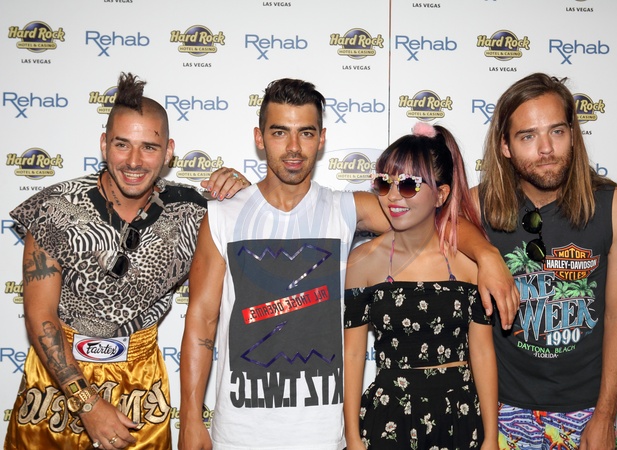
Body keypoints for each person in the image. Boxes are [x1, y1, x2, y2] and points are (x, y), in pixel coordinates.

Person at [178, 78, 517, 450]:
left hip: (322, 436)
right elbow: (201, 320)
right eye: (279, 132)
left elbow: (432, 218)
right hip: (239, 433)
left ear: (321, 139)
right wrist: (191, 417)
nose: (293, 147)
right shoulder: (225, 214)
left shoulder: (345, 208)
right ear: (259, 138)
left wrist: (487, 254)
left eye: (306, 133)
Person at [4, 72, 246, 450]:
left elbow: (267, 238)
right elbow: (40, 316)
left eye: (149, 147)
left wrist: (245, 196)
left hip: (139, 382)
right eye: (122, 145)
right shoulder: (55, 208)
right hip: (55, 383)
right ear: (104, 145)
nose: (134, 161)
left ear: (168, 151)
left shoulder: (195, 213)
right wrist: (86, 402)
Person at [474, 73, 617, 450]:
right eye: (528, 136)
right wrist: (485, 252)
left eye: (557, 131)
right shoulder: (479, 208)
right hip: (501, 411)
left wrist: (605, 416)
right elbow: (421, 218)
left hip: (586, 413)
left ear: (573, 135)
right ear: (505, 146)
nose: (546, 148)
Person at [343, 122, 498, 449]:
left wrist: (490, 437)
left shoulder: (468, 263)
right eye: (384, 183)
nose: (393, 196)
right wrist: (353, 437)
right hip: (389, 418)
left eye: (409, 184)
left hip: (458, 417)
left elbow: (483, 351)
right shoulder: (362, 262)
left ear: (441, 194)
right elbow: (353, 354)